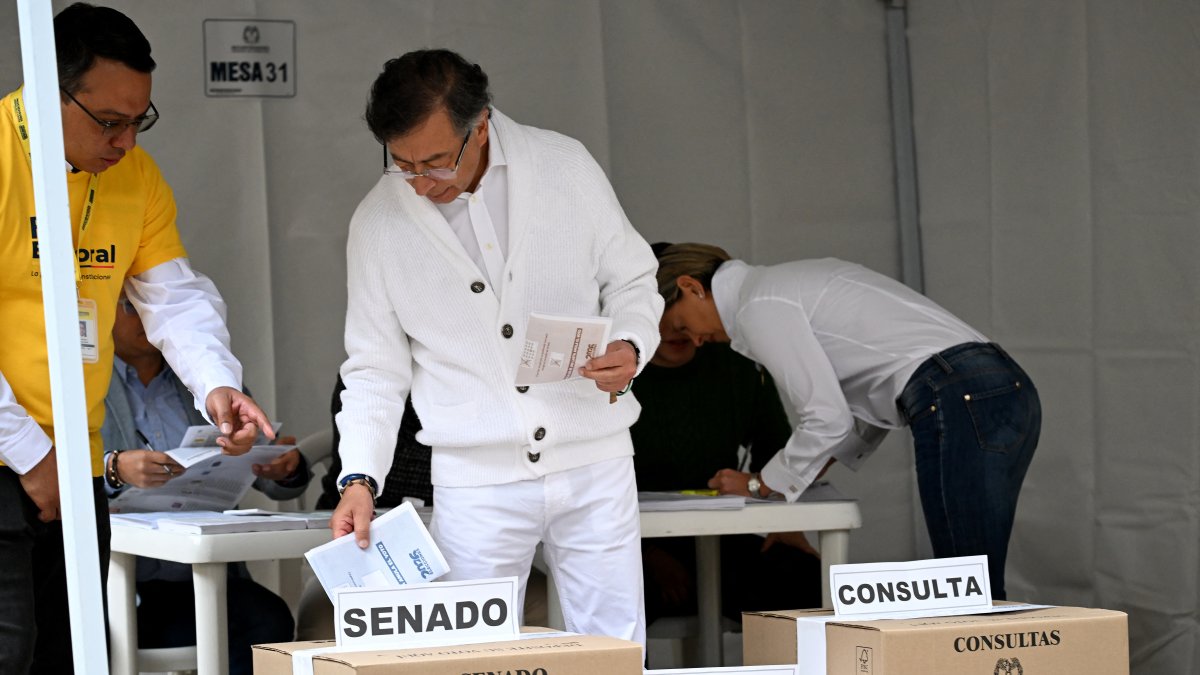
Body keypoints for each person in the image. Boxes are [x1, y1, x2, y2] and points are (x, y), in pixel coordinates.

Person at [330, 49, 662, 646]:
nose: (420, 181)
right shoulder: (378, 221)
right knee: (470, 655)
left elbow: (633, 280)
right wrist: (359, 477)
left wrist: (632, 345)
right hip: (473, 479)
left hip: (594, 458)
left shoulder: (564, 164)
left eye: (433, 161)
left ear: (479, 125)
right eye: (401, 163)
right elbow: (374, 368)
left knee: (616, 645)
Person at [0, 4, 273, 671]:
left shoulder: (138, 177)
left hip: (77, 464)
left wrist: (219, 386)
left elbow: (174, 296)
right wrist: (32, 456)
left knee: (73, 655)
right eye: (110, 122)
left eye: (138, 121)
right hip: (15, 454)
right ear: (47, 88)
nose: (125, 143)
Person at [654, 243, 1041, 599]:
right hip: (1007, 388)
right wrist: (800, 471)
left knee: (968, 585)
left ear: (691, 287)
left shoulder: (758, 304)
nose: (697, 341)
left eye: (682, 326)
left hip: (959, 394)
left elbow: (826, 418)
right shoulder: (782, 283)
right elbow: (857, 406)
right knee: (979, 579)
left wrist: (758, 484)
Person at [102, 294, 305, 675]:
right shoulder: (83, 379)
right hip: (116, 583)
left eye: (156, 308)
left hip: (203, 578)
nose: (147, 318)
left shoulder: (206, 377)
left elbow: (271, 476)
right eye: (132, 307)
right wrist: (113, 469)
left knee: (269, 619)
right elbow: (53, 473)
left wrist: (284, 467)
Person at [632, 305, 823, 622]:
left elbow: (777, 451)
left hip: (727, 537)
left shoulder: (738, 364)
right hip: (632, 544)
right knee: (609, 602)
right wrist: (647, 553)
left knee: (806, 579)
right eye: (659, 308)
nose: (677, 326)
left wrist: (786, 521)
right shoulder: (610, 376)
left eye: (681, 312)